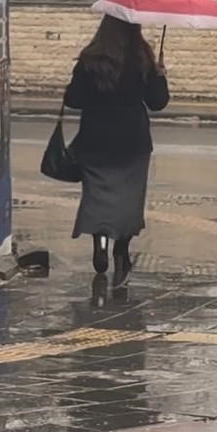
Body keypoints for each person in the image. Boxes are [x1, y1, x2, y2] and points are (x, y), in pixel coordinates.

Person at [64, 15, 169, 287]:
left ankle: (99, 242)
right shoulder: (142, 58)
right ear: (134, 28)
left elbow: (73, 99)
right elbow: (157, 103)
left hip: (95, 141)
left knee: (97, 195)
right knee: (128, 200)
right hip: (132, 143)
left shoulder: (91, 58)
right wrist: (159, 77)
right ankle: (121, 252)